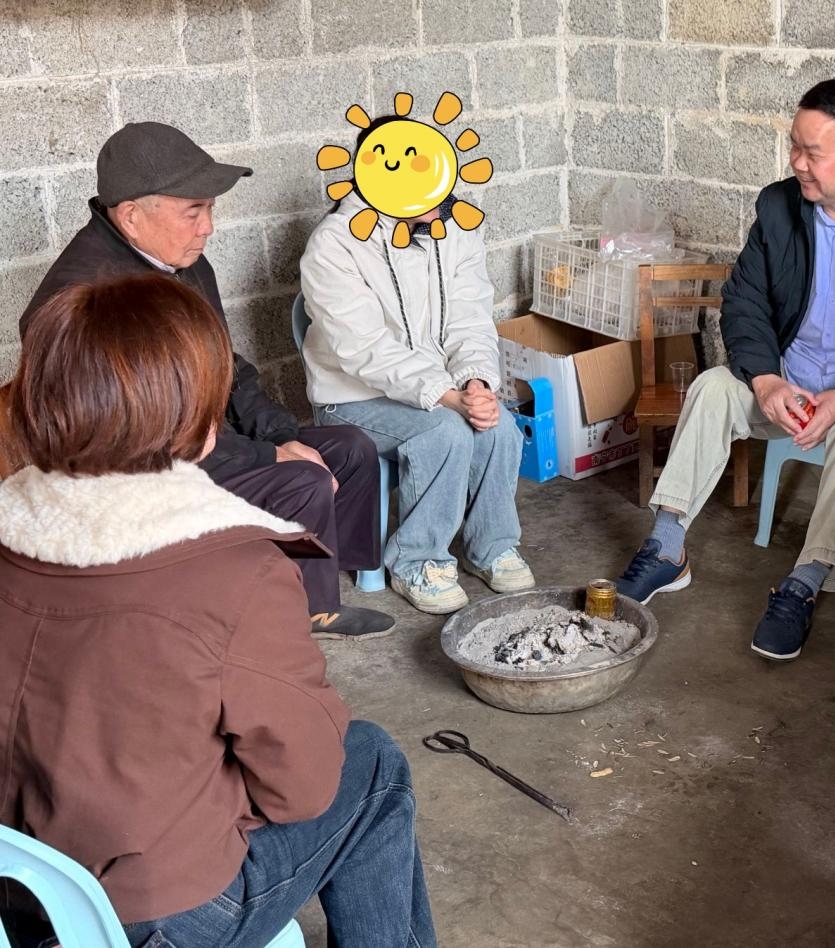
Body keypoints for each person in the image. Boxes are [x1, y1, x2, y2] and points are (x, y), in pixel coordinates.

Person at [0, 275, 435, 947]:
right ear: (201, 424)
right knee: (371, 761)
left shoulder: (14, 527)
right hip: (156, 916)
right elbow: (303, 789)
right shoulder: (236, 571)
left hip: (24, 890)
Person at [613, 78, 835, 660]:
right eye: (794, 148)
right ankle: (666, 546)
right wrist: (766, 379)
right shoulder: (778, 206)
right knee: (712, 387)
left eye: (812, 152)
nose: (797, 163)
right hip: (790, 386)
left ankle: (805, 581)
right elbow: (744, 301)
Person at [19, 121, 393, 641]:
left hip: (211, 440)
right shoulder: (86, 300)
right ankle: (310, 610)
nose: (208, 228)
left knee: (349, 447)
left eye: (210, 209)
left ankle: (319, 572)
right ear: (131, 216)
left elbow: (226, 364)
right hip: (146, 468)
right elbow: (143, 442)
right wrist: (268, 457)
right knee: (302, 480)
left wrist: (281, 434)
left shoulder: (184, 263)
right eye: (193, 212)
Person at [299, 116, 533, 614]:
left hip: (441, 386)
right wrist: (447, 399)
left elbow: (470, 317)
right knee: (444, 432)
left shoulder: (455, 228)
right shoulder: (334, 243)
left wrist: (476, 383)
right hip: (351, 397)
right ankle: (415, 561)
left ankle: (491, 547)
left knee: (500, 428)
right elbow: (362, 349)